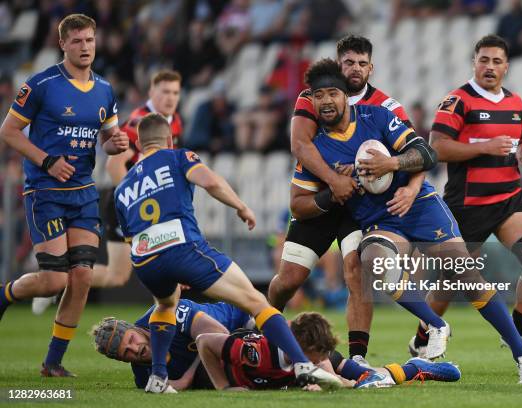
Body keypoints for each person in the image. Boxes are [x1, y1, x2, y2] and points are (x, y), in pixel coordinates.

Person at [291, 58, 522, 383]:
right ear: (311, 100)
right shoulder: (316, 151)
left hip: (420, 206)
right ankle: (436, 323)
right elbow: (299, 205)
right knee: (375, 262)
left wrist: (391, 163)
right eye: (319, 95)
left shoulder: (377, 117)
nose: (326, 101)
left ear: (344, 96)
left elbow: (426, 153)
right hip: (380, 220)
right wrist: (331, 192)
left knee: (465, 274)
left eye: (332, 94)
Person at [113, 113, 341, 393]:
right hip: (182, 247)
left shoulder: (121, 187)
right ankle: (302, 364)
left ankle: (158, 378)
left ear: (138, 143)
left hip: (146, 260)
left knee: (165, 306)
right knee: (255, 300)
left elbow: (129, 237)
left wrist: (165, 264)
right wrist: (240, 206)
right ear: (170, 139)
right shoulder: (177, 157)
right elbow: (211, 182)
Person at [268, 35, 424, 365]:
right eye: (348, 62)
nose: (355, 69)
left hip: (359, 208)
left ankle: (358, 359)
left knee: (356, 273)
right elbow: (300, 145)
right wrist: (334, 182)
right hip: (323, 198)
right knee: (288, 281)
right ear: (339, 65)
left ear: (371, 67)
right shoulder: (312, 97)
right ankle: (263, 329)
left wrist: (410, 188)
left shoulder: (384, 107)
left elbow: (418, 153)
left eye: (361, 63)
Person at [409, 34, 522, 369]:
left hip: (509, 201)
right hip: (467, 206)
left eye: (496, 61)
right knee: (450, 283)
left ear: (507, 66)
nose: (489, 67)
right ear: (474, 62)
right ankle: (420, 340)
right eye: (484, 60)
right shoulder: (458, 101)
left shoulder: (516, 103)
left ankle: (516, 334)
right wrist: (483, 148)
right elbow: (437, 148)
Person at [0, 14, 129, 377]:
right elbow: (9, 131)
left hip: (84, 192)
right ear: (63, 44)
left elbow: (108, 137)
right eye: (77, 41)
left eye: (89, 40)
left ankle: (53, 362)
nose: (85, 47)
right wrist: (47, 161)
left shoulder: (105, 89)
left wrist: (115, 143)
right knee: (55, 280)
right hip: (46, 191)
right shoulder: (41, 85)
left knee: (83, 276)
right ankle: (5, 294)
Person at [31, 69, 184, 314]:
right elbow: (114, 166)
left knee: (117, 276)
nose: (170, 98)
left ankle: (61, 279)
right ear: (151, 92)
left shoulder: (174, 120)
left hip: (147, 203)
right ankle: (168, 333)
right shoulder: (138, 123)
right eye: (165, 91)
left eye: (175, 92)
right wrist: (137, 200)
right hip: (130, 203)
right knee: (165, 271)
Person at [196, 311, 461, 390]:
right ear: (301, 348)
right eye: (318, 355)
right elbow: (205, 341)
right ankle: (414, 368)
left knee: (363, 380)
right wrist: (223, 387)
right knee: (359, 381)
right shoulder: (252, 352)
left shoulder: (315, 356)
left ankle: (414, 368)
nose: (322, 360)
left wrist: (329, 382)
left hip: (301, 354)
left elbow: (338, 380)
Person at [91, 299, 253, 390]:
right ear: (123, 360)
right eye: (126, 353)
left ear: (135, 328)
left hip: (242, 321)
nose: (135, 349)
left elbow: (218, 332)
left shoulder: (165, 314)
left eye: (132, 339)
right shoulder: (142, 375)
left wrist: (186, 379)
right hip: (226, 359)